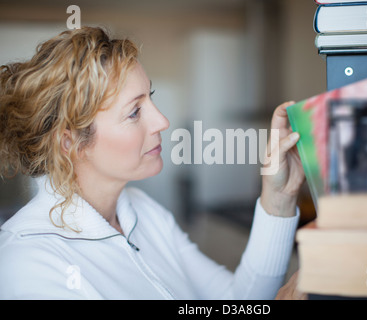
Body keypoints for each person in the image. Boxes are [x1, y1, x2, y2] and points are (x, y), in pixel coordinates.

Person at [0, 26, 304, 299]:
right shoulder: (29, 262)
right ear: (69, 142)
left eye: (151, 98)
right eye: (134, 111)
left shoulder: (145, 212)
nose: (162, 120)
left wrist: (278, 198)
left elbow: (238, 300)